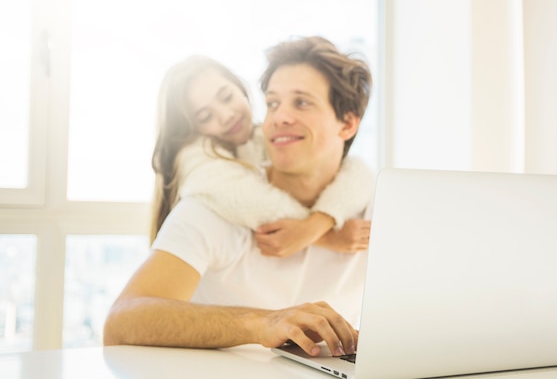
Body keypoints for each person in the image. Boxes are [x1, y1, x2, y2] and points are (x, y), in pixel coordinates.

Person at [104, 36, 373, 358]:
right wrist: (264, 322)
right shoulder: (212, 191)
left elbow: (360, 170)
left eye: (301, 102)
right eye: (273, 103)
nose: (279, 117)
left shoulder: (370, 203)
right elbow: (121, 323)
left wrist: (320, 224)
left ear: (348, 123)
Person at [151, 55, 373, 257]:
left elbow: (356, 171)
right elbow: (251, 202)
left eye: (227, 97)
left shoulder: (264, 135)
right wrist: (324, 235)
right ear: (190, 131)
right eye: (206, 116)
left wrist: (323, 220)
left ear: (240, 87)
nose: (226, 116)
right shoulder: (195, 161)